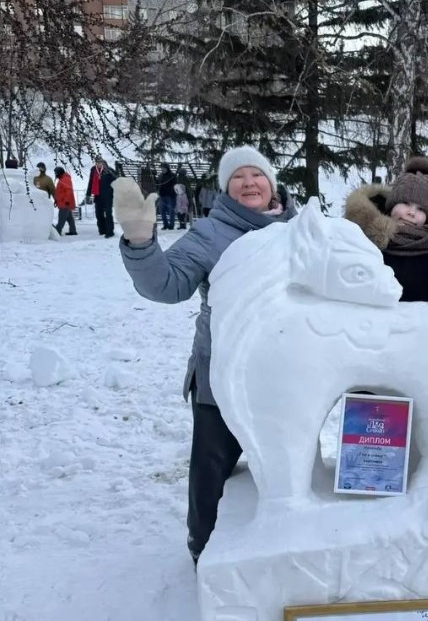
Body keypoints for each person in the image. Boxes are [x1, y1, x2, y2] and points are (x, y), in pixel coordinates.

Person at [116, 146, 296, 565]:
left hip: (287, 377)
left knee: (288, 465)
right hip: (224, 378)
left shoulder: (301, 228)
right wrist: (141, 243)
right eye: (237, 177)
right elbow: (167, 285)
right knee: (211, 470)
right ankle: (204, 547)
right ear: (225, 189)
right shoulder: (210, 233)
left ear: (272, 184)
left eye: (257, 175)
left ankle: (284, 548)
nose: (248, 182)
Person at [344, 156, 428, 302]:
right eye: (405, 203)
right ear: (391, 205)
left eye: (421, 209)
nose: (411, 212)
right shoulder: (360, 240)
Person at [85, 154, 116, 237]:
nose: (98, 164)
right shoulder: (93, 170)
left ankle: (109, 232)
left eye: (100, 162)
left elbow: (115, 181)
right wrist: (88, 194)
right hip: (98, 196)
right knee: (99, 214)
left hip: (107, 196)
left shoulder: (108, 170)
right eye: (97, 162)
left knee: (108, 214)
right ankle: (102, 230)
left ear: (103, 162)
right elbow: (90, 182)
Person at [53, 166, 78, 235]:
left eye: (56, 173)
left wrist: (67, 201)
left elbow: (68, 191)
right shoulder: (62, 179)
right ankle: (73, 231)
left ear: (59, 172)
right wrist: (56, 200)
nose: (55, 174)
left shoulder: (65, 179)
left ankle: (57, 231)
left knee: (62, 217)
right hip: (63, 202)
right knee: (69, 218)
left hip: (65, 203)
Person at [157, 163, 177, 230]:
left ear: (167, 168)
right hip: (162, 196)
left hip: (170, 196)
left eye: (164, 168)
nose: (162, 169)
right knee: (162, 211)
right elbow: (157, 184)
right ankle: (165, 225)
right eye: (162, 168)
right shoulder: (160, 176)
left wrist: (172, 192)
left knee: (171, 211)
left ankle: (171, 225)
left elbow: (175, 185)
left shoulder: (172, 176)